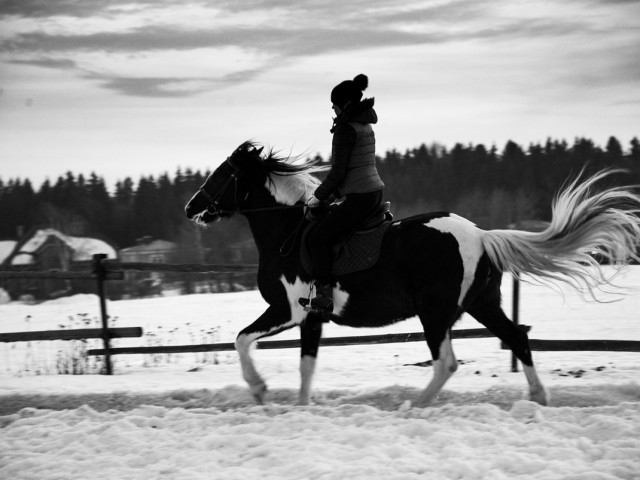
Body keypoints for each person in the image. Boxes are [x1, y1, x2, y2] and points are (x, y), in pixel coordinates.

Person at [305, 73, 385, 313]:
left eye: (334, 106)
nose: (333, 110)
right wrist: (332, 194)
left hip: (360, 196)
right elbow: (353, 169)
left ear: (344, 104)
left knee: (316, 238)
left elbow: (339, 172)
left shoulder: (345, 129)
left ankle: (325, 296)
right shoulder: (364, 123)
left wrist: (316, 197)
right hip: (373, 192)